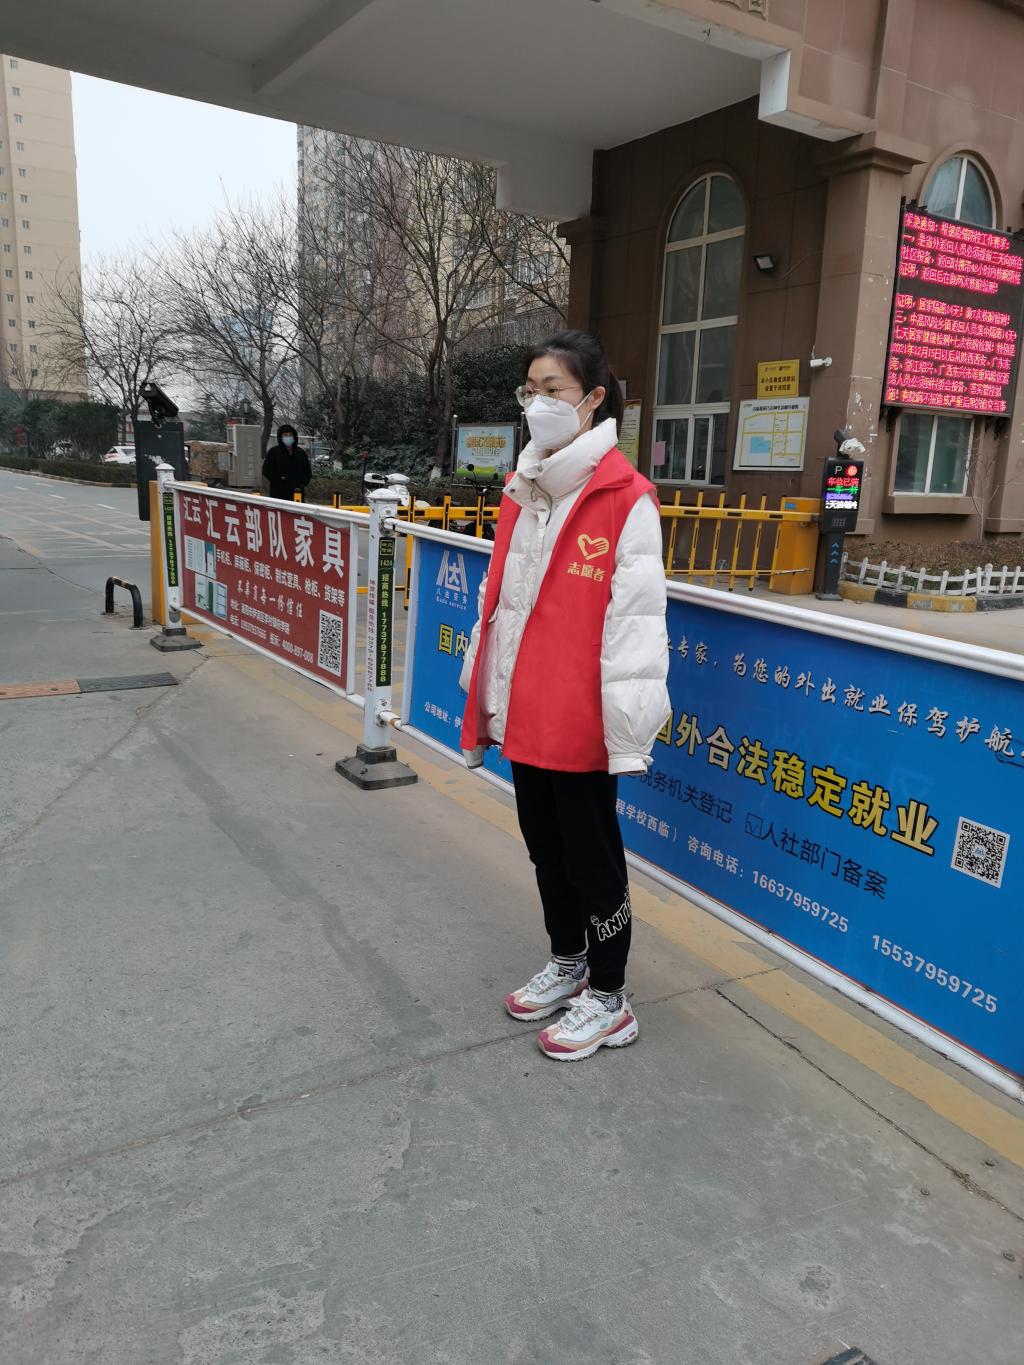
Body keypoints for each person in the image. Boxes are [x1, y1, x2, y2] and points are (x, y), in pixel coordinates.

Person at [460, 330, 670, 1062]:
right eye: (531, 390)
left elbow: (637, 624)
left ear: (593, 398)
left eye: (553, 390)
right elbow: (499, 602)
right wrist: (486, 688)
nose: (538, 404)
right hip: (526, 707)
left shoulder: (625, 498)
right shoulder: (524, 490)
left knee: (592, 858)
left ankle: (610, 998)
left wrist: (626, 731)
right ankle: (568, 960)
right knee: (545, 848)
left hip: (580, 718)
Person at [262, 425, 312, 501]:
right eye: (285, 435)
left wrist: (302, 483)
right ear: (280, 437)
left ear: (294, 437)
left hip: (297, 492)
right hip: (278, 493)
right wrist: (279, 480)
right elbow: (267, 471)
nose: (288, 437)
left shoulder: (301, 453)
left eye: (290, 435)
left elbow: (307, 472)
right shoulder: (274, 452)